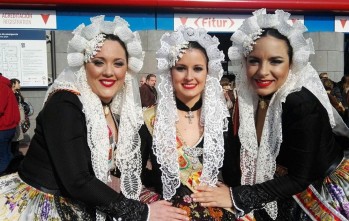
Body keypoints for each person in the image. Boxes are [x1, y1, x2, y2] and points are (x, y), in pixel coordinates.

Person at [0, 16, 188, 221]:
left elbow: (127, 170)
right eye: (99, 62)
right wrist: (143, 212)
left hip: (80, 200)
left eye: (118, 63)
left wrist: (176, 186)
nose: (109, 72)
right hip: (44, 205)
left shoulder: (107, 108)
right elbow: (77, 180)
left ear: (127, 70)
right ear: (84, 65)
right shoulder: (65, 104)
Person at [192, 9, 349, 220]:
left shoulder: (300, 103)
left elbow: (300, 177)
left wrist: (235, 196)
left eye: (275, 61)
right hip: (281, 189)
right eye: (254, 61)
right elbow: (237, 153)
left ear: (292, 63)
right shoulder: (249, 99)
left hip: (317, 193)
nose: (263, 72)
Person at [140, 26, 235, 220]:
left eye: (197, 68)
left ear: (208, 72)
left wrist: (228, 194)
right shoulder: (150, 119)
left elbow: (233, 174)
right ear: (170, 72)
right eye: (181, 68)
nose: (189, 77)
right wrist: (162, 193)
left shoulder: (221, 120)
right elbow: (135, 175)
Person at [0, 73, 20, 174]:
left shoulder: (1, 86)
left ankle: (3, 178)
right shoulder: (5, 85)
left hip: (3, 128)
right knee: (7, 154)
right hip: (8, 127)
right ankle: (12, 174)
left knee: (3, 156)